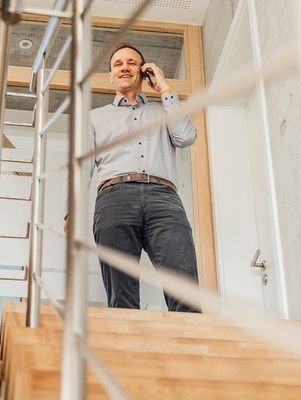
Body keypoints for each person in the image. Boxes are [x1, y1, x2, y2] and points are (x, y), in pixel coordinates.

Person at [64, 44, 200, 312]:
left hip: (164, 199)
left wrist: (164, 88)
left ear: (143, 70)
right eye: (117, 64)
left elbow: (186, 138)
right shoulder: (94, 118)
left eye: (132, 62)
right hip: (114, 199)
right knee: (121, 292)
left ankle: (191, 349)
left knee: (184, 285)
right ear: (111, 76)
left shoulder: (164, 112)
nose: (124, 67)